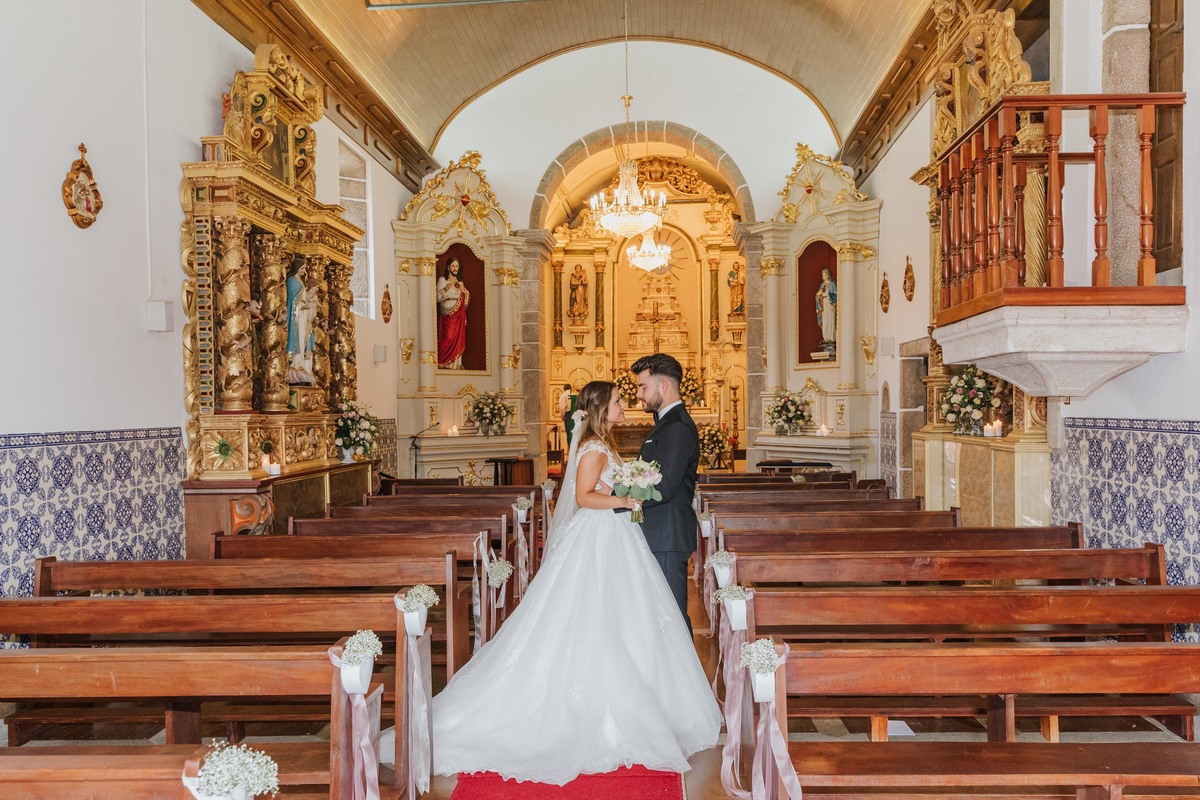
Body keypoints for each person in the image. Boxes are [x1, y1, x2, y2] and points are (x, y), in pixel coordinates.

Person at [432, 380, 721, 785]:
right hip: (597, 538)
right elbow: (585, 497)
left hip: (616, 537)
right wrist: (624, 499)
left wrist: (623, 491)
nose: (626, 404)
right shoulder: (592, 447)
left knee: (625, 616)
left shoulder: (603, 444)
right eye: (620, 400)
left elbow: (600, 488)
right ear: (603, 407)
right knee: (593, 614)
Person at [631, 353, 700, 630]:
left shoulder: (677, 428)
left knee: (672, 618)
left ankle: (685, 674)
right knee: (660, 617)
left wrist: (619, 501)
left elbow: (665, 487)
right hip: (660, 534)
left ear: (663, 387)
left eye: (643, 387)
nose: (638, 394)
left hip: (667, 538)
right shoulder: (666, 424)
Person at [285, 259, 317, 384]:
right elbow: (292, 301)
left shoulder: (300, 282)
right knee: (297, 337)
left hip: (303, 316)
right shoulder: (292, 281)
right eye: (302, 268)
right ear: (296, 268)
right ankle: (296, 362)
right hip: (296, 316)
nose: (304, 271)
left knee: (303, 338)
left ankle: (301, 364)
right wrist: (300, 307)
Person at [437, 258, 470, 369]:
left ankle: (456, 365)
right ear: (448, 267)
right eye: (453, 266)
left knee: (458, 339)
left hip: (458, 315)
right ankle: (443, 363)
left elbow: (466, 298)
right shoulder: (443, 280)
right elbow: (436, 298)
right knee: (448, 337)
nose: (455, 268)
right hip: (447, 313)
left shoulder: (459, 281)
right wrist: (445, 290)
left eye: (457, 266)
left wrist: (464, 291)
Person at [815, 267, 838, 344]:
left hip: (830, 304)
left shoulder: (832, 284)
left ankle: (831, 337)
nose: (824, 277)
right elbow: (818, 295)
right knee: (825, 319)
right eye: (823, 275)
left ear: (828, 275)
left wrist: (828, 295)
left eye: (825, 275)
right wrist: (818, 295)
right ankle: (826, 337)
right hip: (823, 304)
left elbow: (834, 294)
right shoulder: (822, 285)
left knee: (830, 319)